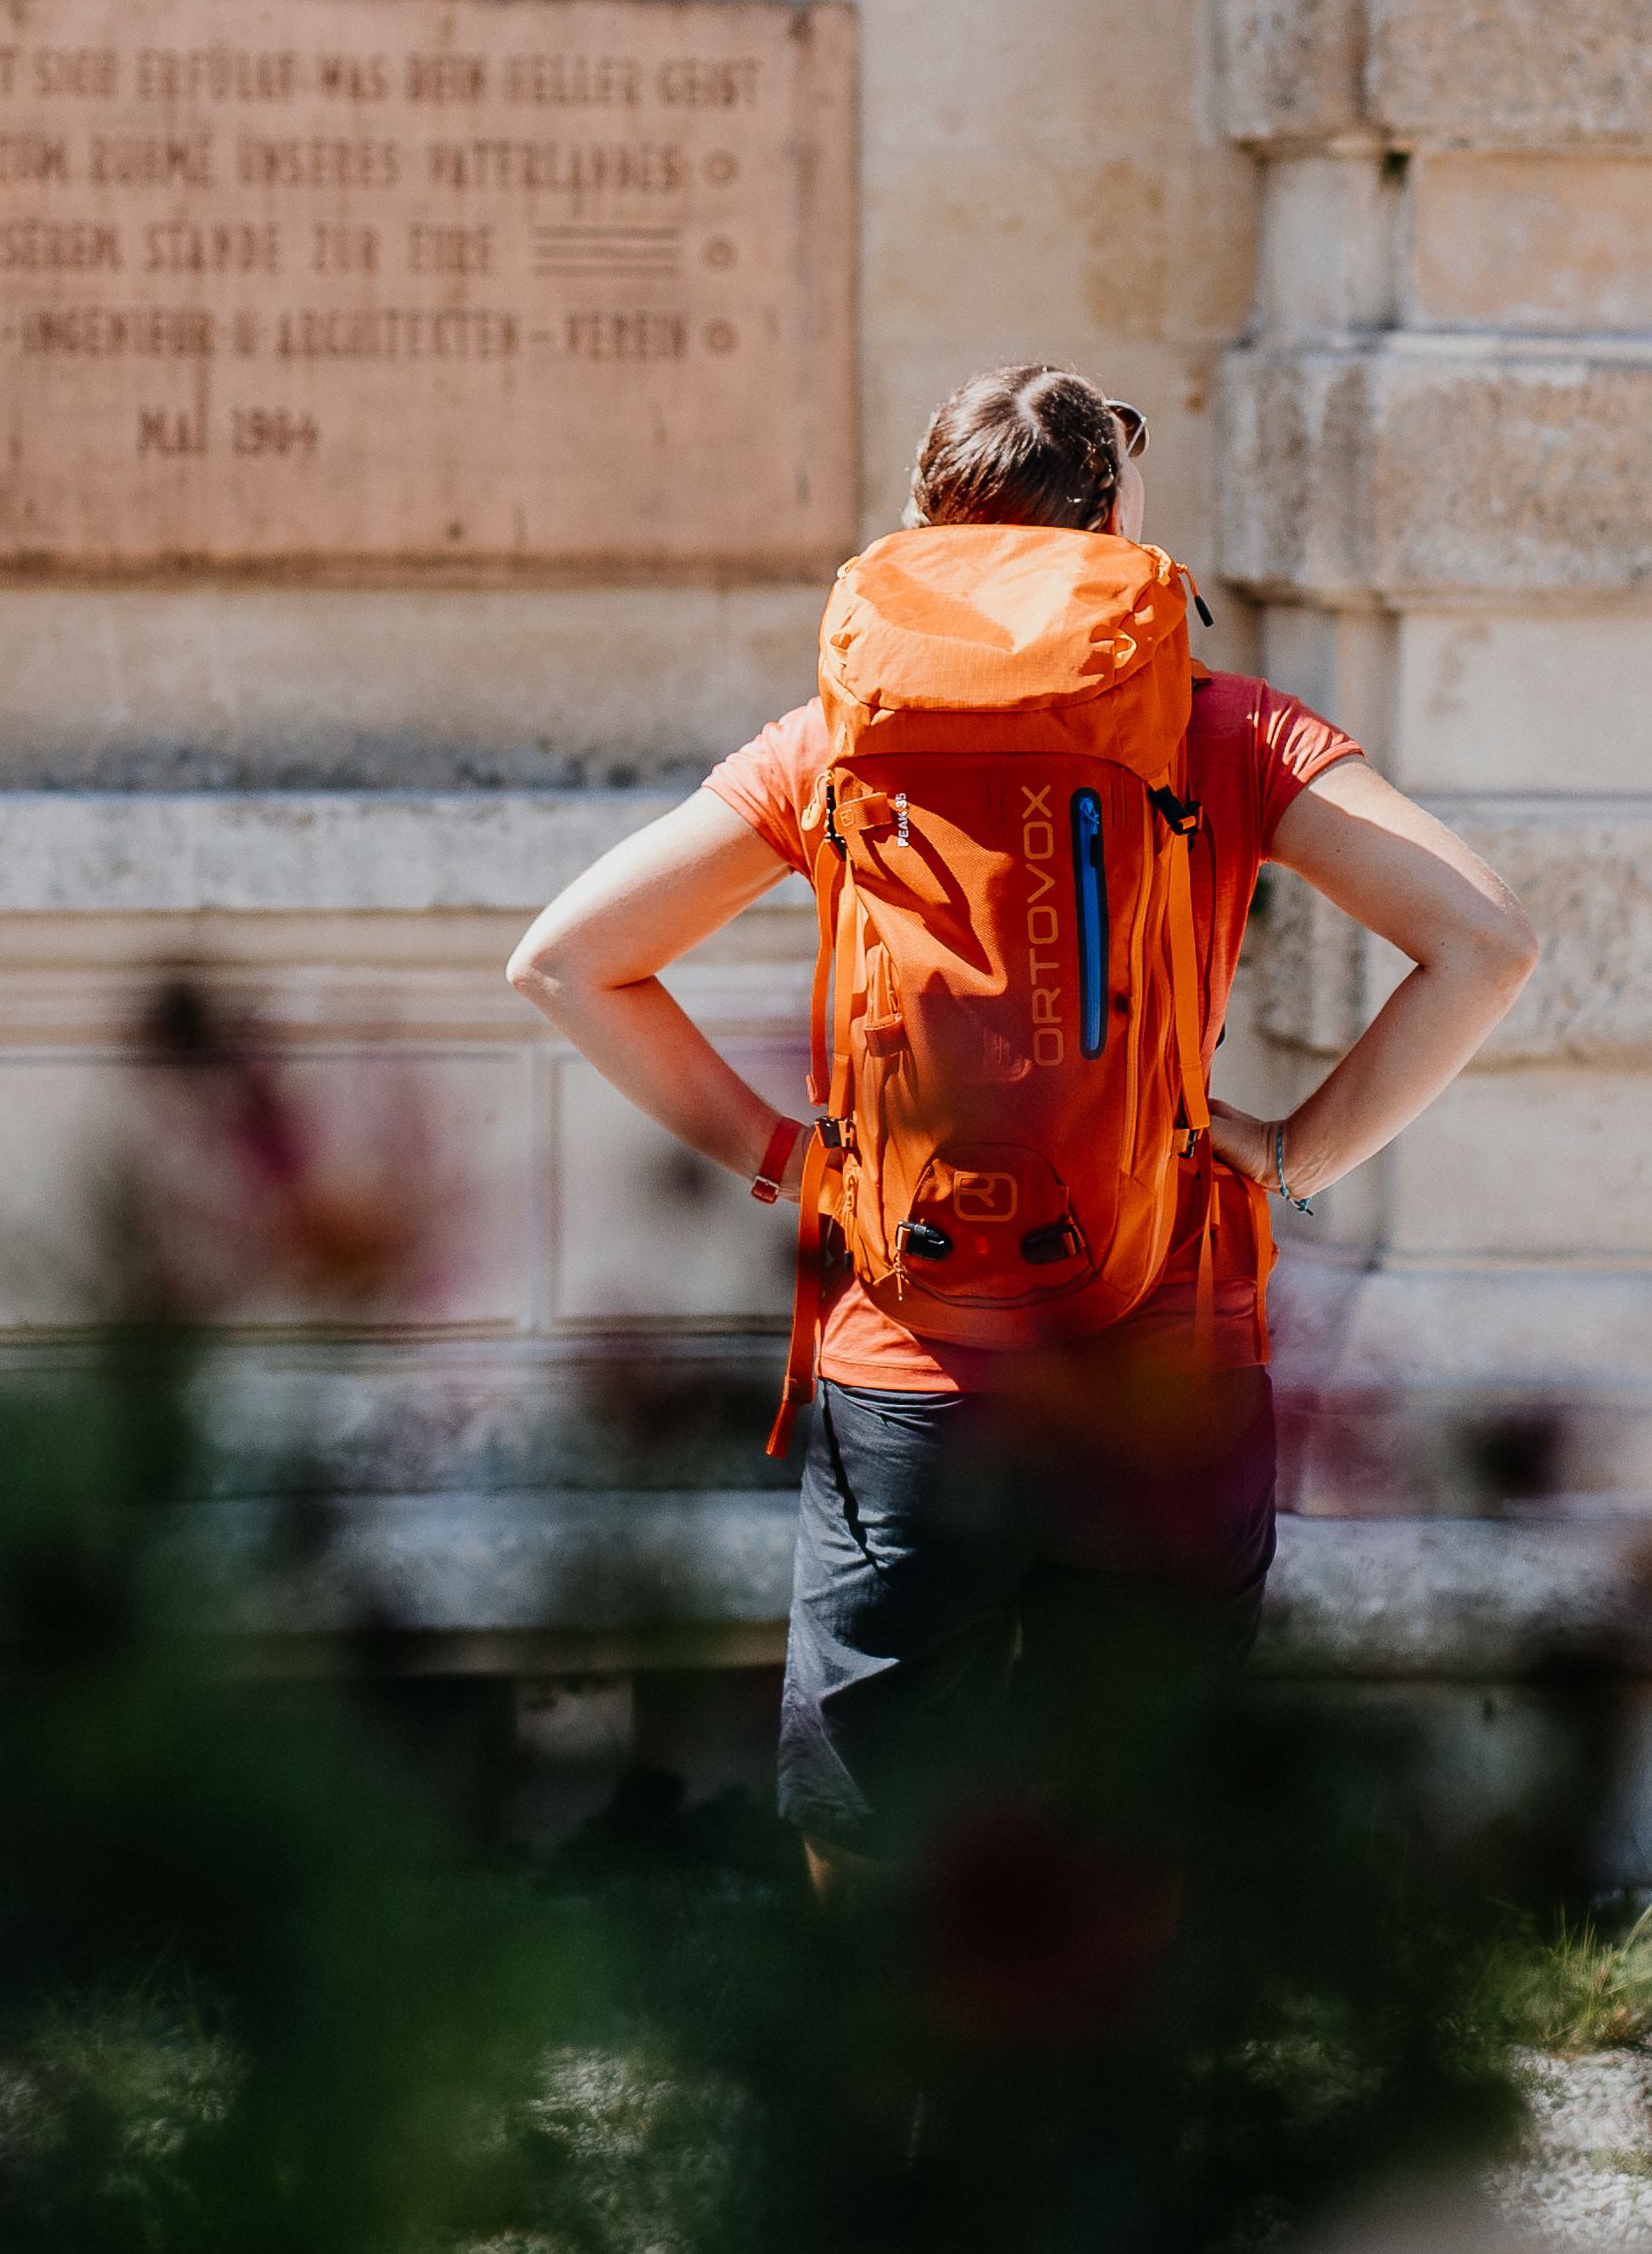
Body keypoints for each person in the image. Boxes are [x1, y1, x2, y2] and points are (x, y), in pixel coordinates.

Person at [508, 361, 1537, 1864]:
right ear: (1112, 524)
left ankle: (889, 2095)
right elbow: (1485, 943)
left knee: (865, 1834)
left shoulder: (839, 737)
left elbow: (565, 961)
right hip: (1165, 1354)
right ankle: (1095, 2101)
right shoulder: (1222, 726)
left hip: (907, 1346)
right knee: (1132, 1820)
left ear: (928, 528)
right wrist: (1293, 1148)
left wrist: (790, 1157)